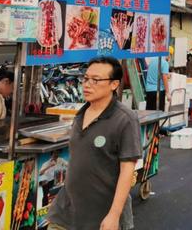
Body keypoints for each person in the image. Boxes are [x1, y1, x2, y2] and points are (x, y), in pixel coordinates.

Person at [48, 56, 141, 230]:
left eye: (96, 80)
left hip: (100, 217)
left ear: (114, 84)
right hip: (65, 213)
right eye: (86, 78)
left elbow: (127, 170)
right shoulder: (81, 114)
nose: (87, 84)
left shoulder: (125, 119)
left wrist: (114, 215)